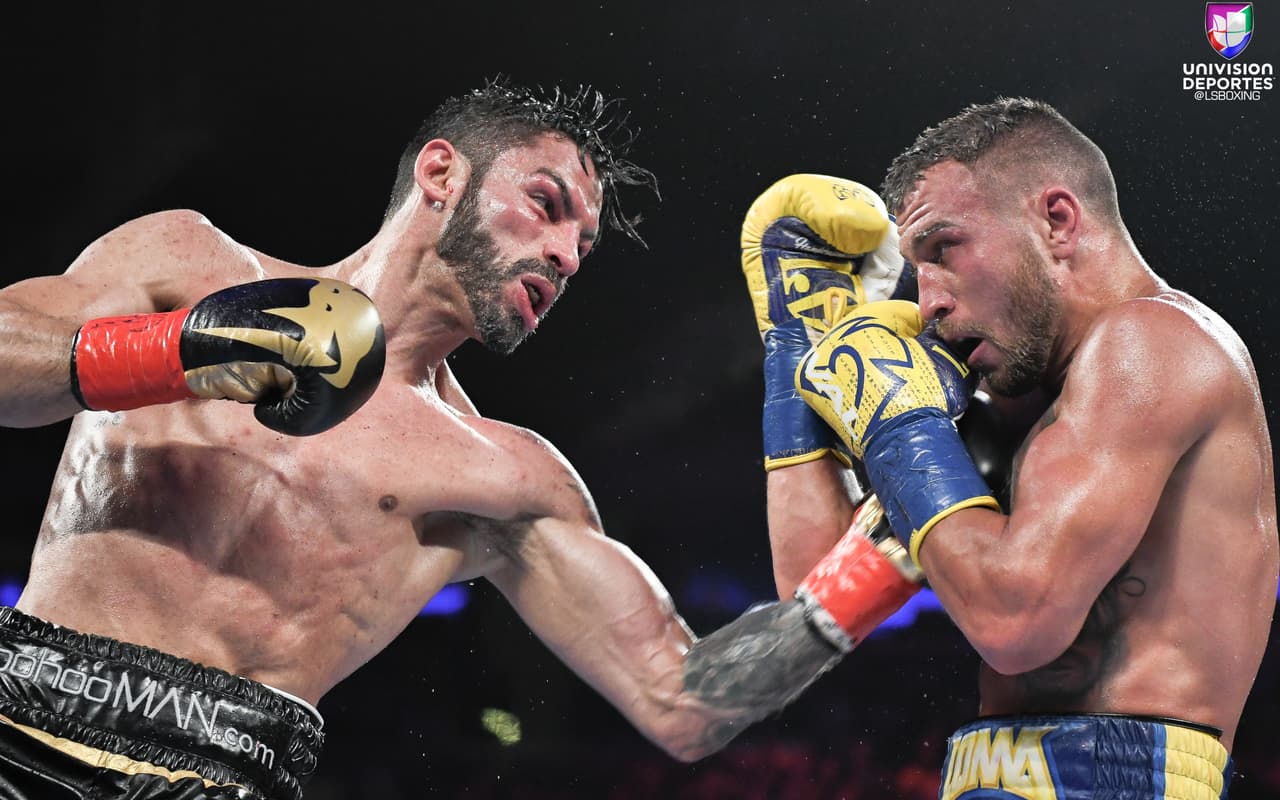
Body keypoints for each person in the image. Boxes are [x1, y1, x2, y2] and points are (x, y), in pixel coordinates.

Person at [0, 79, 898, 800]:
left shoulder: (502, 475)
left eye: (584, 245)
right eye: (546, 206)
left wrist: (890, 548)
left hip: (223, 777)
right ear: (441, 174)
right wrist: (186, 348)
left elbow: (682, 699)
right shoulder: (185, 261)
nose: (566, 254)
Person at [740, 98, 1277, 799]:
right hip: (988, 773)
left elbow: (1015, 621)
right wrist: (797, 349)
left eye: (944, 249)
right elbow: (815, 588)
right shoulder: (1007, 402)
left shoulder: (1152, 345)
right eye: (915, 267)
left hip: (1117, 778)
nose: (926, 300)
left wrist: (897, 425)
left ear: (1056, 221)